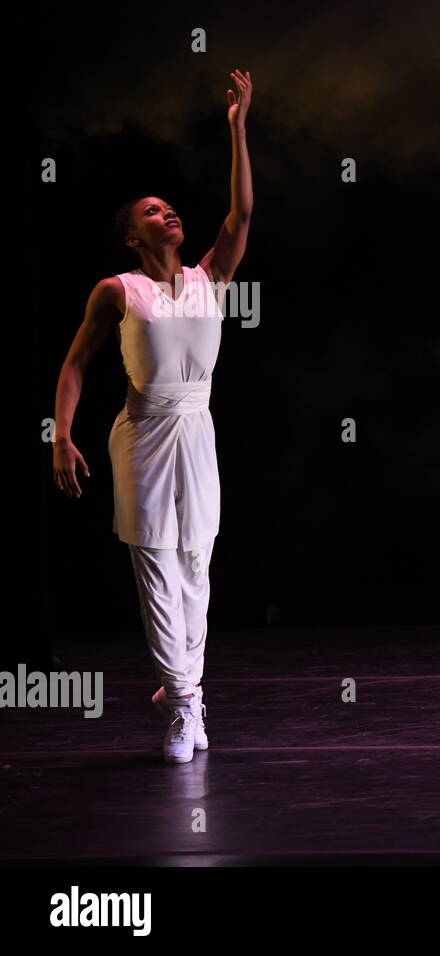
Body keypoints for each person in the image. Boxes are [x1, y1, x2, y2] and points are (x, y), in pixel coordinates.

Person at [52, 69, 254, 761]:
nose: (167, 214)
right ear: (132, 236)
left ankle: (181, 686)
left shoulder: (210, 278)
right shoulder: (119, 289)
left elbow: (243, 216)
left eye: (170, 208)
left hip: (198, 434)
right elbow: (76, 363)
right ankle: (186, 707)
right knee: (159, 568)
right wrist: (61, 438)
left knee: (196, 565)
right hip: (141, 435)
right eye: (151, 211)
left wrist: (237, 128)